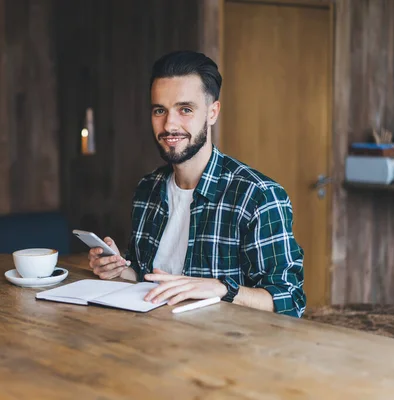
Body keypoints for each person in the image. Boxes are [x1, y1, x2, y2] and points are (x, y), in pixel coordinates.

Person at [88, 50, 306, 318]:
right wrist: (120, 269)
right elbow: (149, 278)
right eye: (160, 110)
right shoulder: (148, 189)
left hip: (224, 351)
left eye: (185, 110)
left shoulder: (258, 196)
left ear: (212, 112)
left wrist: (222, 289)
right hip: (149, 341)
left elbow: (291, 301)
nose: (169, 124)